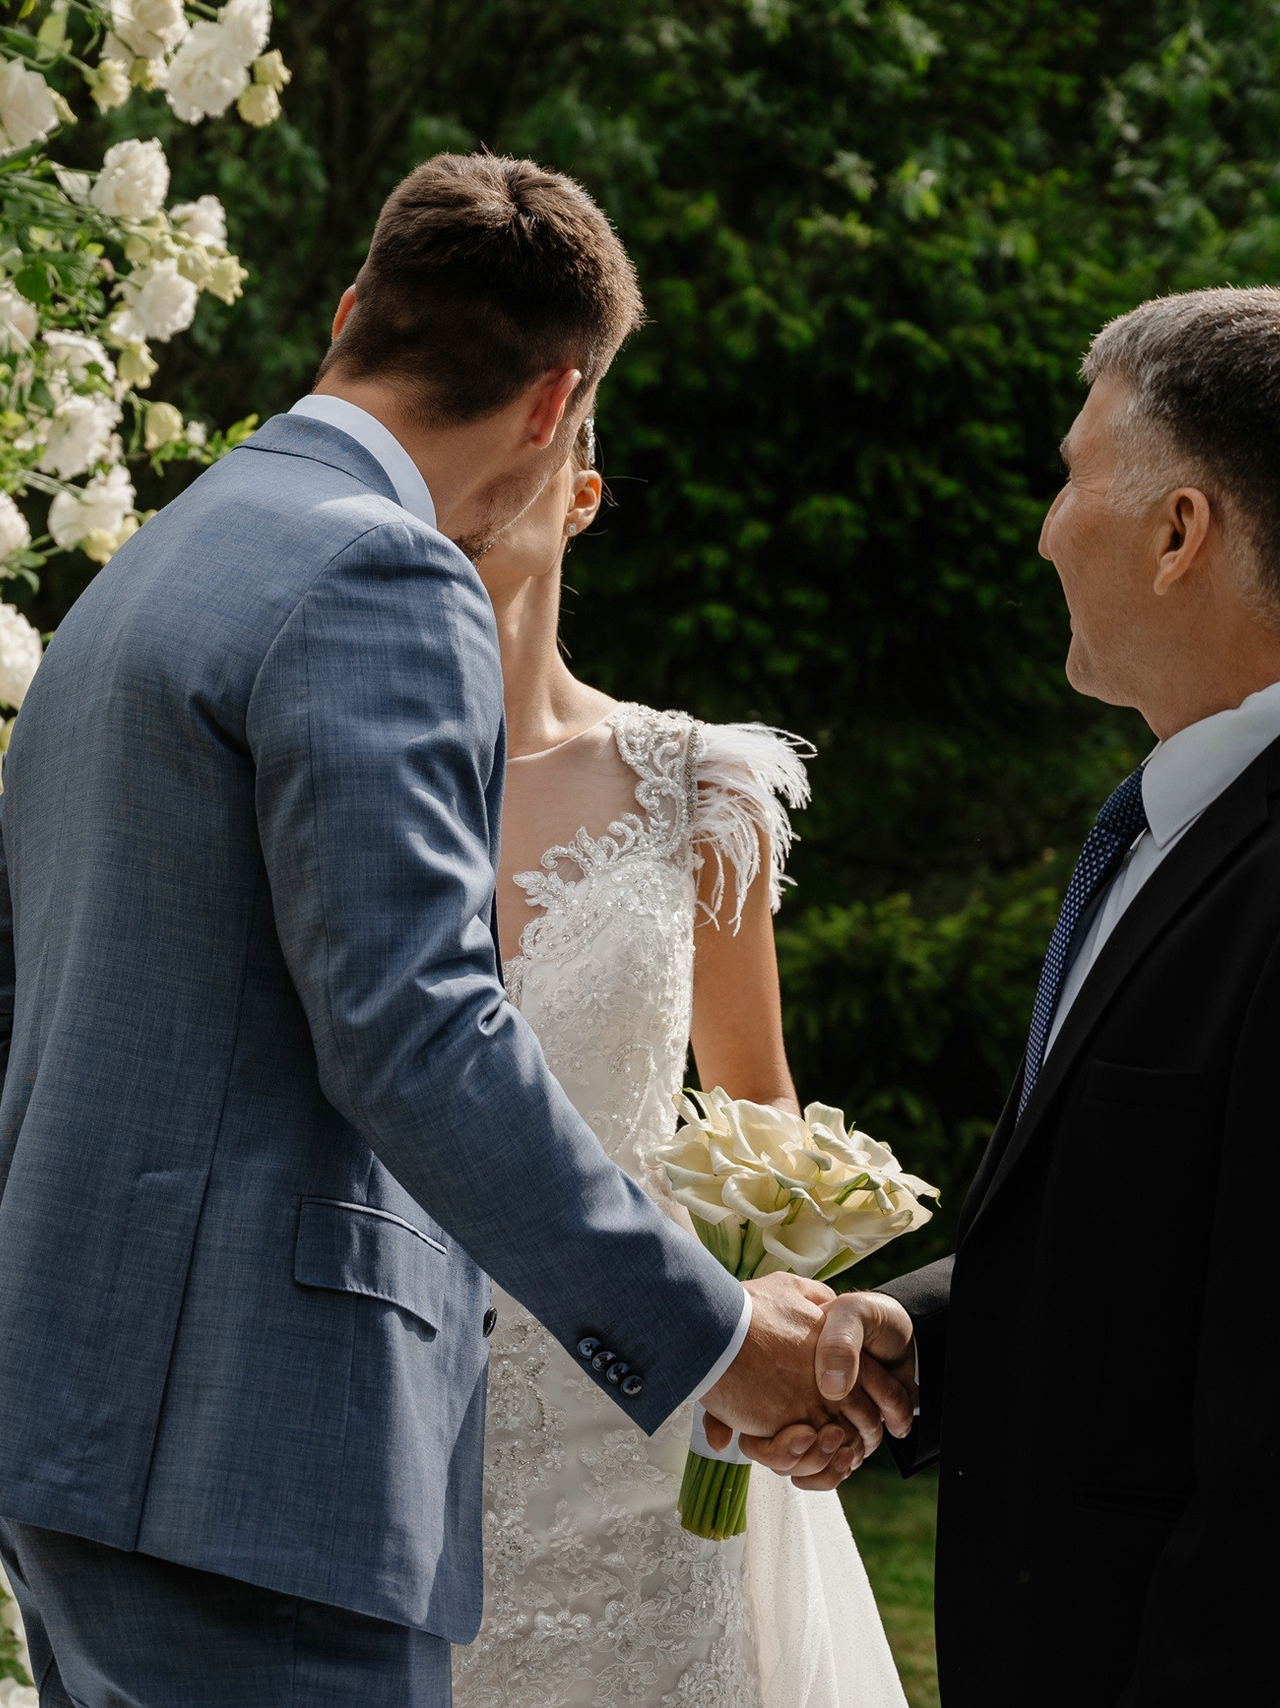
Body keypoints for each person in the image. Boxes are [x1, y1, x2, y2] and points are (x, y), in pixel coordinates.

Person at [0, 154, 911, 1706]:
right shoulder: (386, 574)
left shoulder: (157, 561)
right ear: (551, 406)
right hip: (268, 1472)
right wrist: (710, 1332)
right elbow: (418, 1029)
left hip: (71, 1444)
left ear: (348, 313)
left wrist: (163, 1231)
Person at [818, 286, 1280, 1707]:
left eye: (1076, 475)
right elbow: (1192, 1261)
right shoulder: (1224, 824)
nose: (1043, 527)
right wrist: (924, 1336)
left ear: (1180, 531)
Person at [448, 417, 907, 1707]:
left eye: (518, 452)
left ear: (582, 492)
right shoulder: (335, 766)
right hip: (400, 1396)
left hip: (641, 1420)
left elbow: (758, 1112)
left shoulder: (690, 789)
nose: (468, 496)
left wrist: (783, 1362)